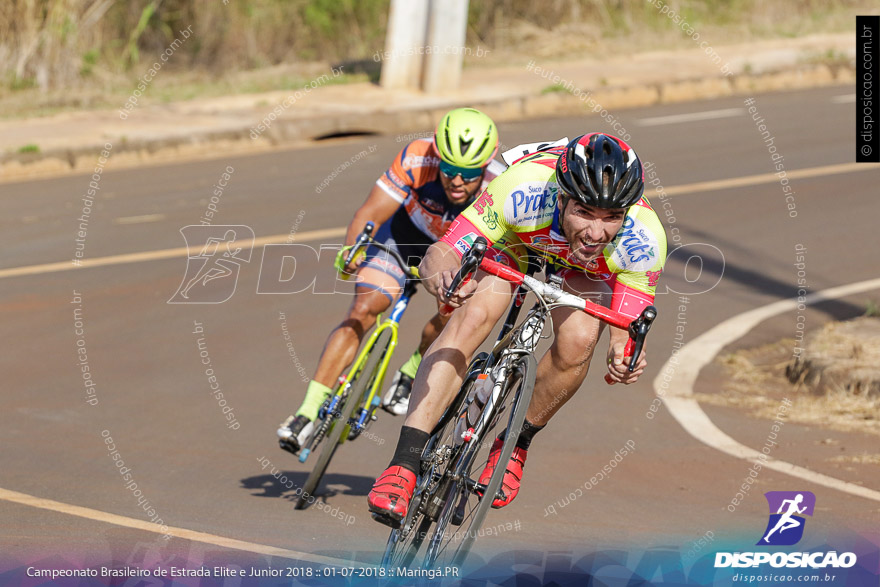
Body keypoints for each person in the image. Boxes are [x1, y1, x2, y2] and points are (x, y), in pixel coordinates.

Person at [367, 133, 667, 525]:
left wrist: (624, 355)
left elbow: (627, 326)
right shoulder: (523, 189)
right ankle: (403, 465)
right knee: (473, 317)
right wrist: (442, 277)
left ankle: (514, 445)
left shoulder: (643, 237)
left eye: (612, 217)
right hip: (519, 239)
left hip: (587, 269)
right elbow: (442, 252)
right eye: (585, 212)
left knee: (580, 339)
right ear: (561, 197)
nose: (596, 232)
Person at [277, 108, 505, 454]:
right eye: (449, 169)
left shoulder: (500, 183)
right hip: (402, 240)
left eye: (469, 173)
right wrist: (353, 249)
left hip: (452, 255)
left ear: (486, 165)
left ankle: (413, 366)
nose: (457, 181)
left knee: (451, 314)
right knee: (365, 308)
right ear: (438, 157)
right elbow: (370, 213)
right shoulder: (417, 156)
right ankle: (307, 412)